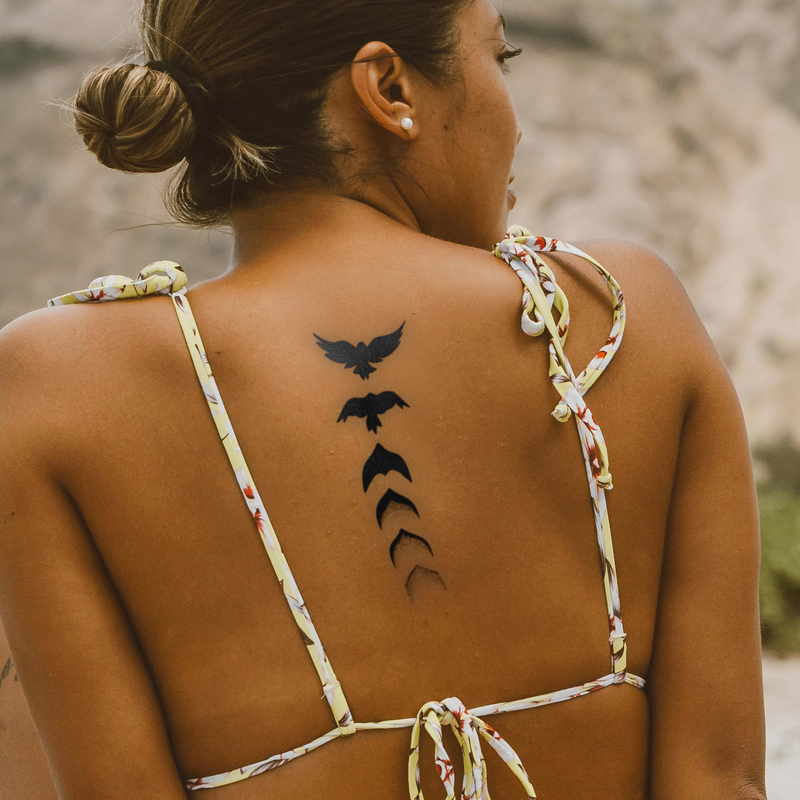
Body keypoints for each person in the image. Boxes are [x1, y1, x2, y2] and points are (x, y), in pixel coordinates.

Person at [0, 0, 768, 798]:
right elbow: (718, 783)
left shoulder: (64, 388)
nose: (516, 119)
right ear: (389, 87)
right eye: (499, 59)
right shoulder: (615, 314)